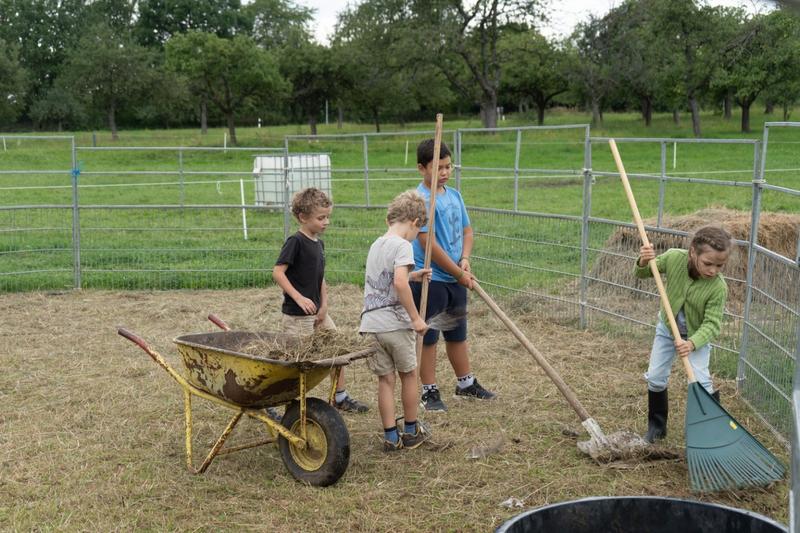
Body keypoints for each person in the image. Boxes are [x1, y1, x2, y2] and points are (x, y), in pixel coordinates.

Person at [410, 139, 496, 413]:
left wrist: (465, 259)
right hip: (431, 279)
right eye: (439, 168)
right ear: (421, 168)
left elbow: (467, 231)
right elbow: (428, 244)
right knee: (430, 336)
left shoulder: (454, 195)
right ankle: (428, 391)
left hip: (456, 277)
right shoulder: (419, 201)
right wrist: (457, 272)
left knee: (457, 333)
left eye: (449, 166)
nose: (445, 172)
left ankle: (465, 382)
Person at [273, 187, 369, 414]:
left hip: (318, 314)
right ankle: (288, 405)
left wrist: (324, 306)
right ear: (303, 217)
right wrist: (299, 298)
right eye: (321, 218)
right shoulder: (295, 242)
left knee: (338, 348)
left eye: (328, 217)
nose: (326, 222)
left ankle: (340, 396)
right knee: (299, 362)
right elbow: (278, 272)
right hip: (297, 317)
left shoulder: (318, 244)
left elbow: (320, 278)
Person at [635, 225, 731, 443]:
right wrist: (644, 259)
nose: (713, 270)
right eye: (708, 263)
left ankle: (702, 435)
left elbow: (712, 325)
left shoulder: (718, 288)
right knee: (656, 376)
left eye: (720, 265)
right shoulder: (673, 258)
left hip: (696, 338)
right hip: (667, 330)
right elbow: (643, 272)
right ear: (692, 253)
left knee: (701, 383)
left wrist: (693, 343)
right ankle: (656, 428)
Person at [359, 190, 432, 451]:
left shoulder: (377, 244)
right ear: (414, 223)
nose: (415, 237)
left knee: (385, 380)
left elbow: (386, 280)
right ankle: (411, 431)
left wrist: (415, 275)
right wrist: (415, 318)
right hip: (396, 324)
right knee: (410, 375)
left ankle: (391, 436)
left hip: (371, 325)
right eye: (418, 231)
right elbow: (399, 283)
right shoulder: (403, 246)